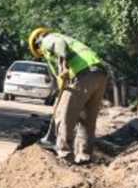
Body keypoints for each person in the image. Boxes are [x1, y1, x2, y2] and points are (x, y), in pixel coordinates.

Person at [28, 27, 108, 164]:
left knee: (64, 115)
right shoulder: (70, 41)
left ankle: (64, 154)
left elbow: (59, 45)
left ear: (37, 45)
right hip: (99, 75)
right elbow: (61, 79)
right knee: (87, 120)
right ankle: (84, 156)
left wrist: (63, 66)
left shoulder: (47, 39)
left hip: (82, 75)